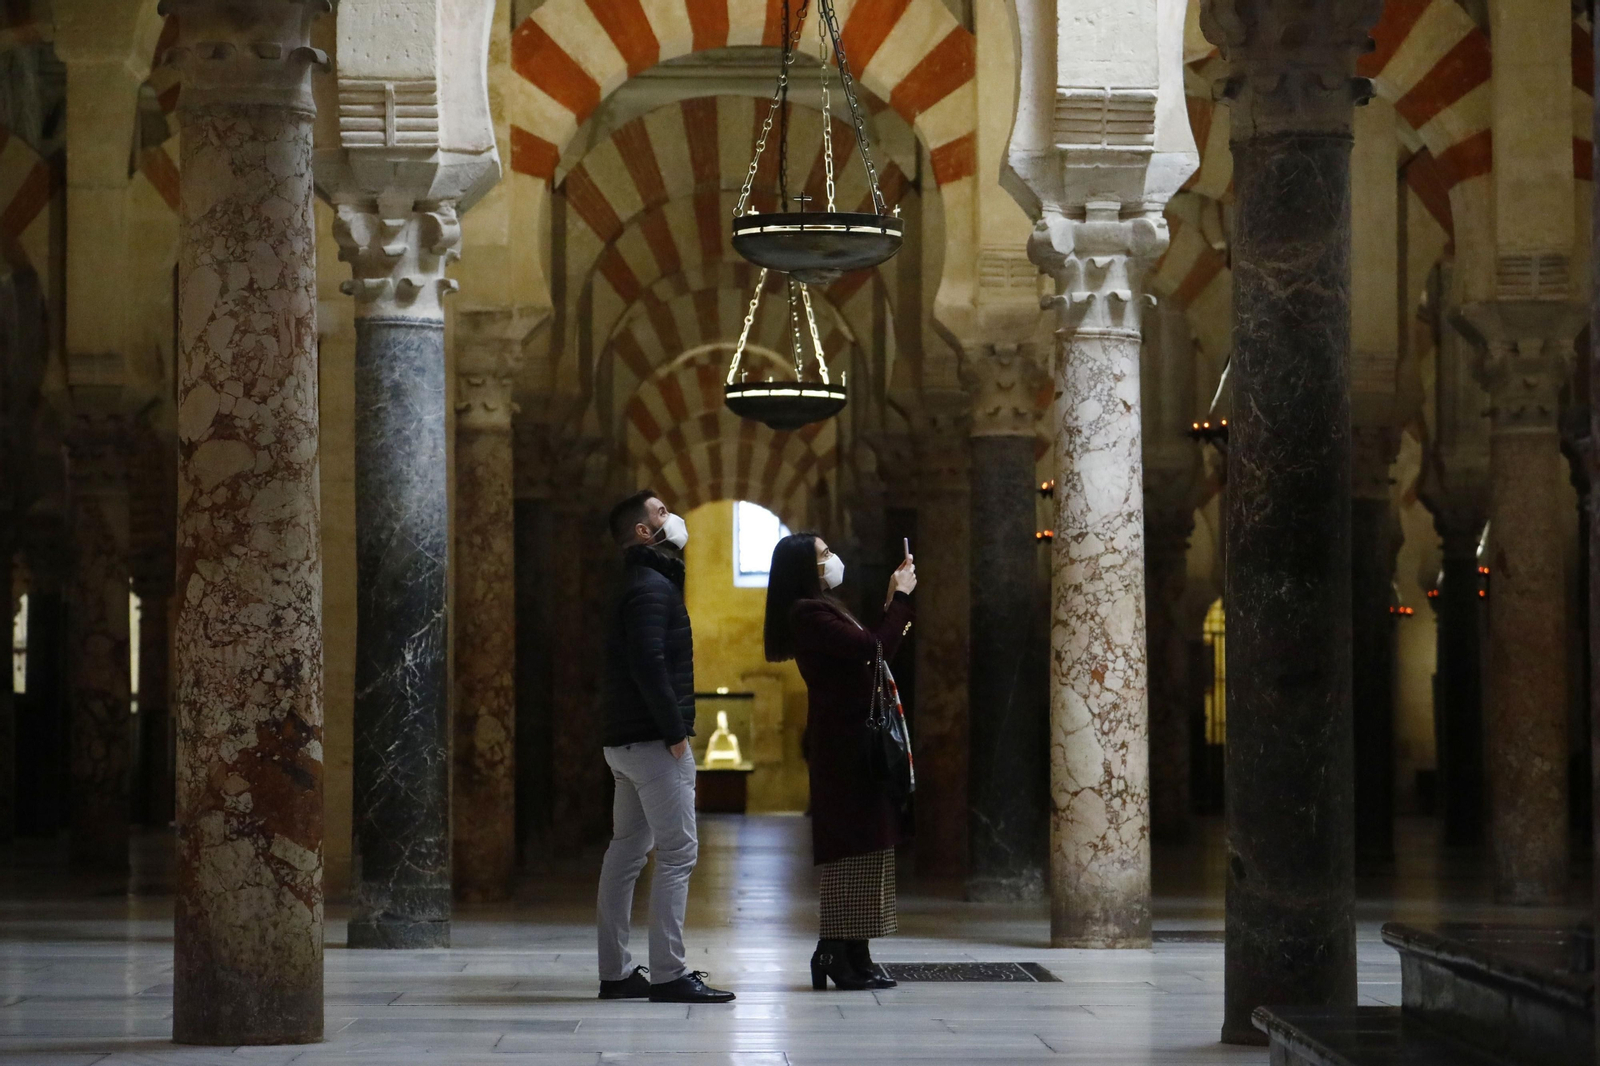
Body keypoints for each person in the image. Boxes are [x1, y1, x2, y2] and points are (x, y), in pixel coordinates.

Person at [595, 490, 735, 1004]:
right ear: (643, 530)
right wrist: (675, 732)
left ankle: (616, 972)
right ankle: (670, 974)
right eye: (660, 512)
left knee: (627, 851)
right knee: (678, 853)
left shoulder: (637, 582)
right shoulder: (652, 587)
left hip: (626, 741)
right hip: (653, 741)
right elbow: (650, 664)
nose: (670, 515)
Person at [763, 533, 917, 991]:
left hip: (856, 742)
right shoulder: (807, 613)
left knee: (872, 847)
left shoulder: (825, 607)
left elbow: (870, 652)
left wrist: (893, 601)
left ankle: (855, 950)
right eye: (824, 555)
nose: (834, 560)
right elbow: (873, 649)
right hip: (845, 747)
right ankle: (834, 951)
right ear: (804, 569)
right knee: (851, 849)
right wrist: (903, 601)